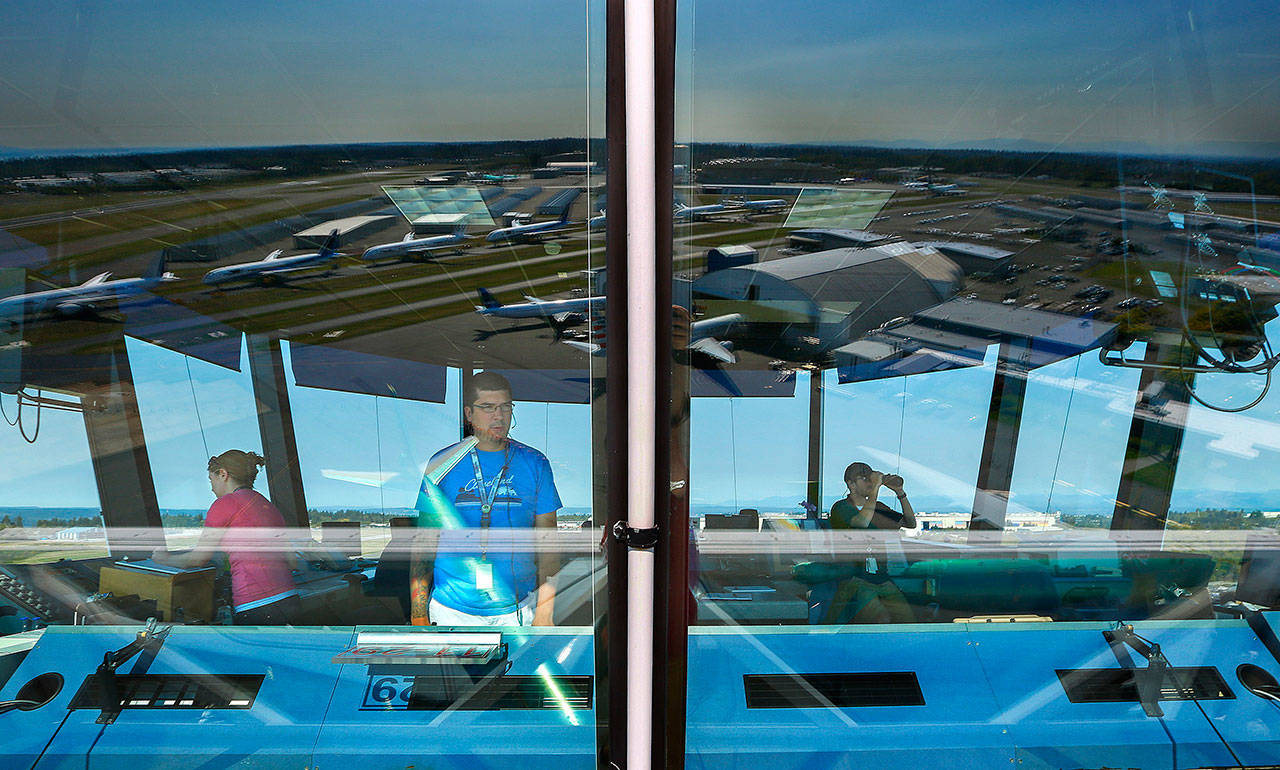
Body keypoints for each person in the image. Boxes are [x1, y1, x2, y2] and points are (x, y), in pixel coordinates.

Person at [410, 371, 562, 626]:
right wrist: (418, 616)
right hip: (450, 610)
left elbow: (549, 544)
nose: (499, 416)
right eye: (488, 407)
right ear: (469, 413)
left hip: (518, 608)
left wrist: (545, 613)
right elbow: (424, 543)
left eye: (505, 407)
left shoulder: (535, 463)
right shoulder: (441, 464)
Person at [153, 450, 299, 625]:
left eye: (211, 480)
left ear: (223, 474)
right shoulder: (267, 505)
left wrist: (164, 559)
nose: (212, 488)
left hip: (255, 605)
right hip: (290, 600)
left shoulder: (224, 504)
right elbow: (292, 562)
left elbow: (198, 558)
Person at [823, 461, 917, 623]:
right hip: (855, 579)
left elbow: (910, 523)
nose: (869, 481)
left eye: (870, 477)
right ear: (850, 484)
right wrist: (875, 489)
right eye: (864, 478)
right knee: (880, 618)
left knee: (908, 622)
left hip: (881, 577)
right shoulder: (840, 508)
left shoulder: (878, 507)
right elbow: (861, 523)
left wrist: (900, 493)